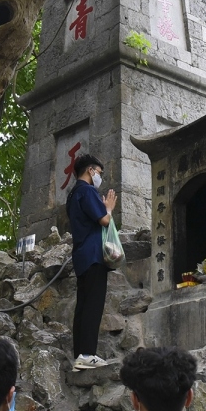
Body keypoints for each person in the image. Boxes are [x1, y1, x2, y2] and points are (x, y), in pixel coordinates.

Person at [66, 153, 118, 371]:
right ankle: (87, 354)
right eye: (99, 173)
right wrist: (109, 207)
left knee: (83, 306)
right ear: (90, 170)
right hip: (94, 255)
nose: (100, 177)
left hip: (80, 256)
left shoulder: (72, 195)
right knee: (93, 306)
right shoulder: (87, 191)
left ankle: (80, 355)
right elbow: (104, 220)